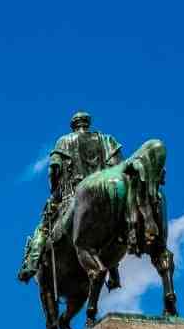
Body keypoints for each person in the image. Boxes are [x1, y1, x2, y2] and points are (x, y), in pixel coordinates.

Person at [21, 111, 124, 286]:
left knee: (43, 229)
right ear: (88, 123)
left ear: (74, 126)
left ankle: (30, 265)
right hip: (106, 194)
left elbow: (54, 169)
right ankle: (114, 271)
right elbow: (117, 165)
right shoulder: (106, 140)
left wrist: (55, 190)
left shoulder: (63, 142)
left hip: (73, 196)